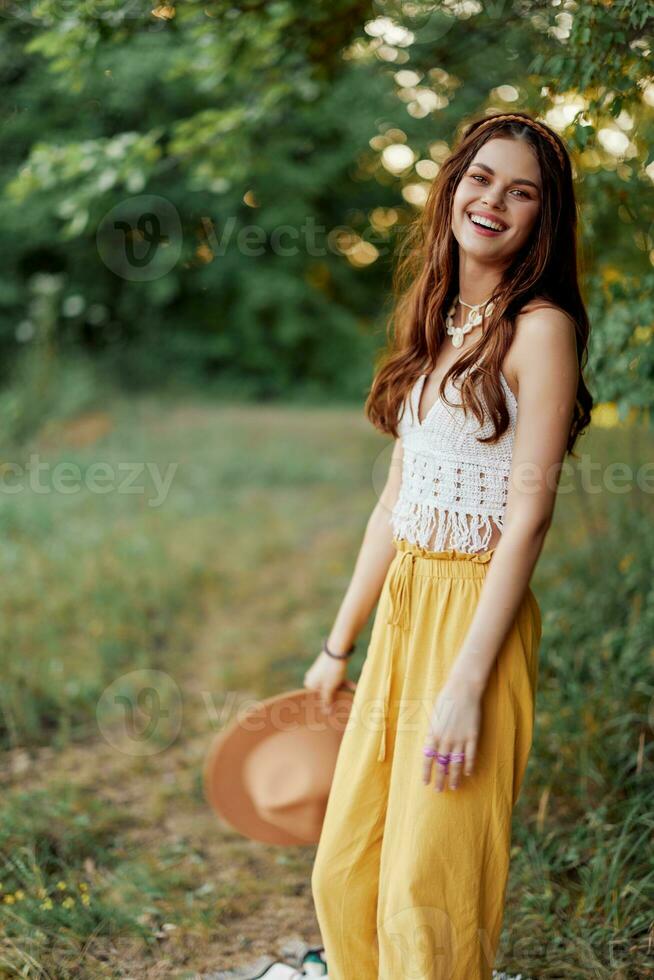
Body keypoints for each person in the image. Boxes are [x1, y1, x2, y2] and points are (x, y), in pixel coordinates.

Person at [304, 111, 593, 980]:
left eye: (522, 192)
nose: (494, 201)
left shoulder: (539, 330)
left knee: (425, 893)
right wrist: (337, 644)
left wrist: (467, 684)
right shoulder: (437, 319)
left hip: (474, 619)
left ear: (544, 218)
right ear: (452, 187)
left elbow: (528, 518)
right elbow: (397, 501)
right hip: (402, 615)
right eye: (481, 179)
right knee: (345, 870)